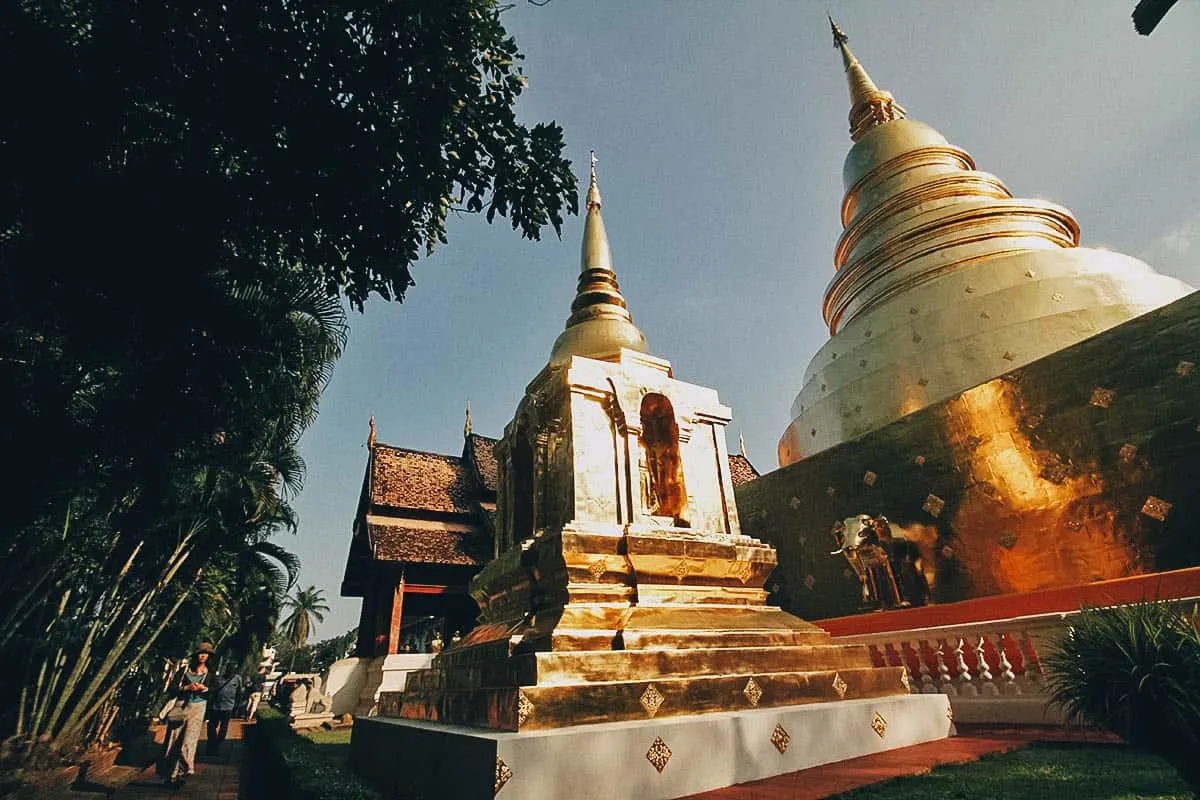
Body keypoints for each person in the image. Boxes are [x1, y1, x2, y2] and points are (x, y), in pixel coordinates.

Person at [159, 642, 211, 787]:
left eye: (206, 654)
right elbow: (172, 689)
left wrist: (204, 689)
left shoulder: (210, 673)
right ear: (195, 655)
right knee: (173, 741)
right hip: (181, 707)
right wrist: (187, 687)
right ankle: (169, 775)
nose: (203, 656)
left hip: (198, 708)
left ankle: (184, 769)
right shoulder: (184, 670)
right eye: (201, 653)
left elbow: (212, 691)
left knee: (188, 742)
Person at [206, 668, 243, 754]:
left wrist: (236, 705)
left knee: (223, 728)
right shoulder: (219, 677)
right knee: (211, 726)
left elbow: (239, 693)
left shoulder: (237, 678)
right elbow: (212, 689)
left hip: (228, 707)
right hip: (215, 706)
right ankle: (212, 744)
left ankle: (215, 744)